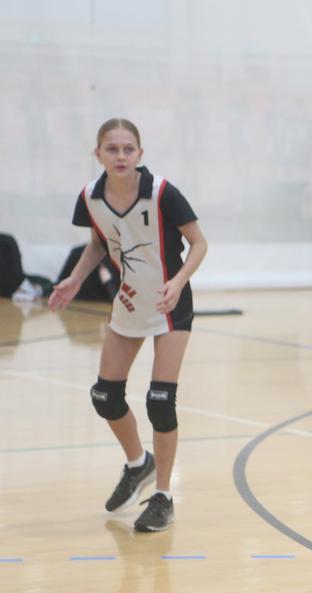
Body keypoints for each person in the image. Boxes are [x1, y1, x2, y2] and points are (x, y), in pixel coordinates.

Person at [48, 118, 210, 532]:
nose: (120, 156)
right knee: (105, 396)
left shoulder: (161, 193)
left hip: (171, 304)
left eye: (128, 149)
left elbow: (199, 242)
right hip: (129, 303)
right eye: (112, 149)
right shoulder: (90, 197)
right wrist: (75, 279)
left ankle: (163, 496)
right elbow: (101, 242)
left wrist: (177, 282)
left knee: (160, 401)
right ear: (97, 154)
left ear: (140, 153)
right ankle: (139, 463)